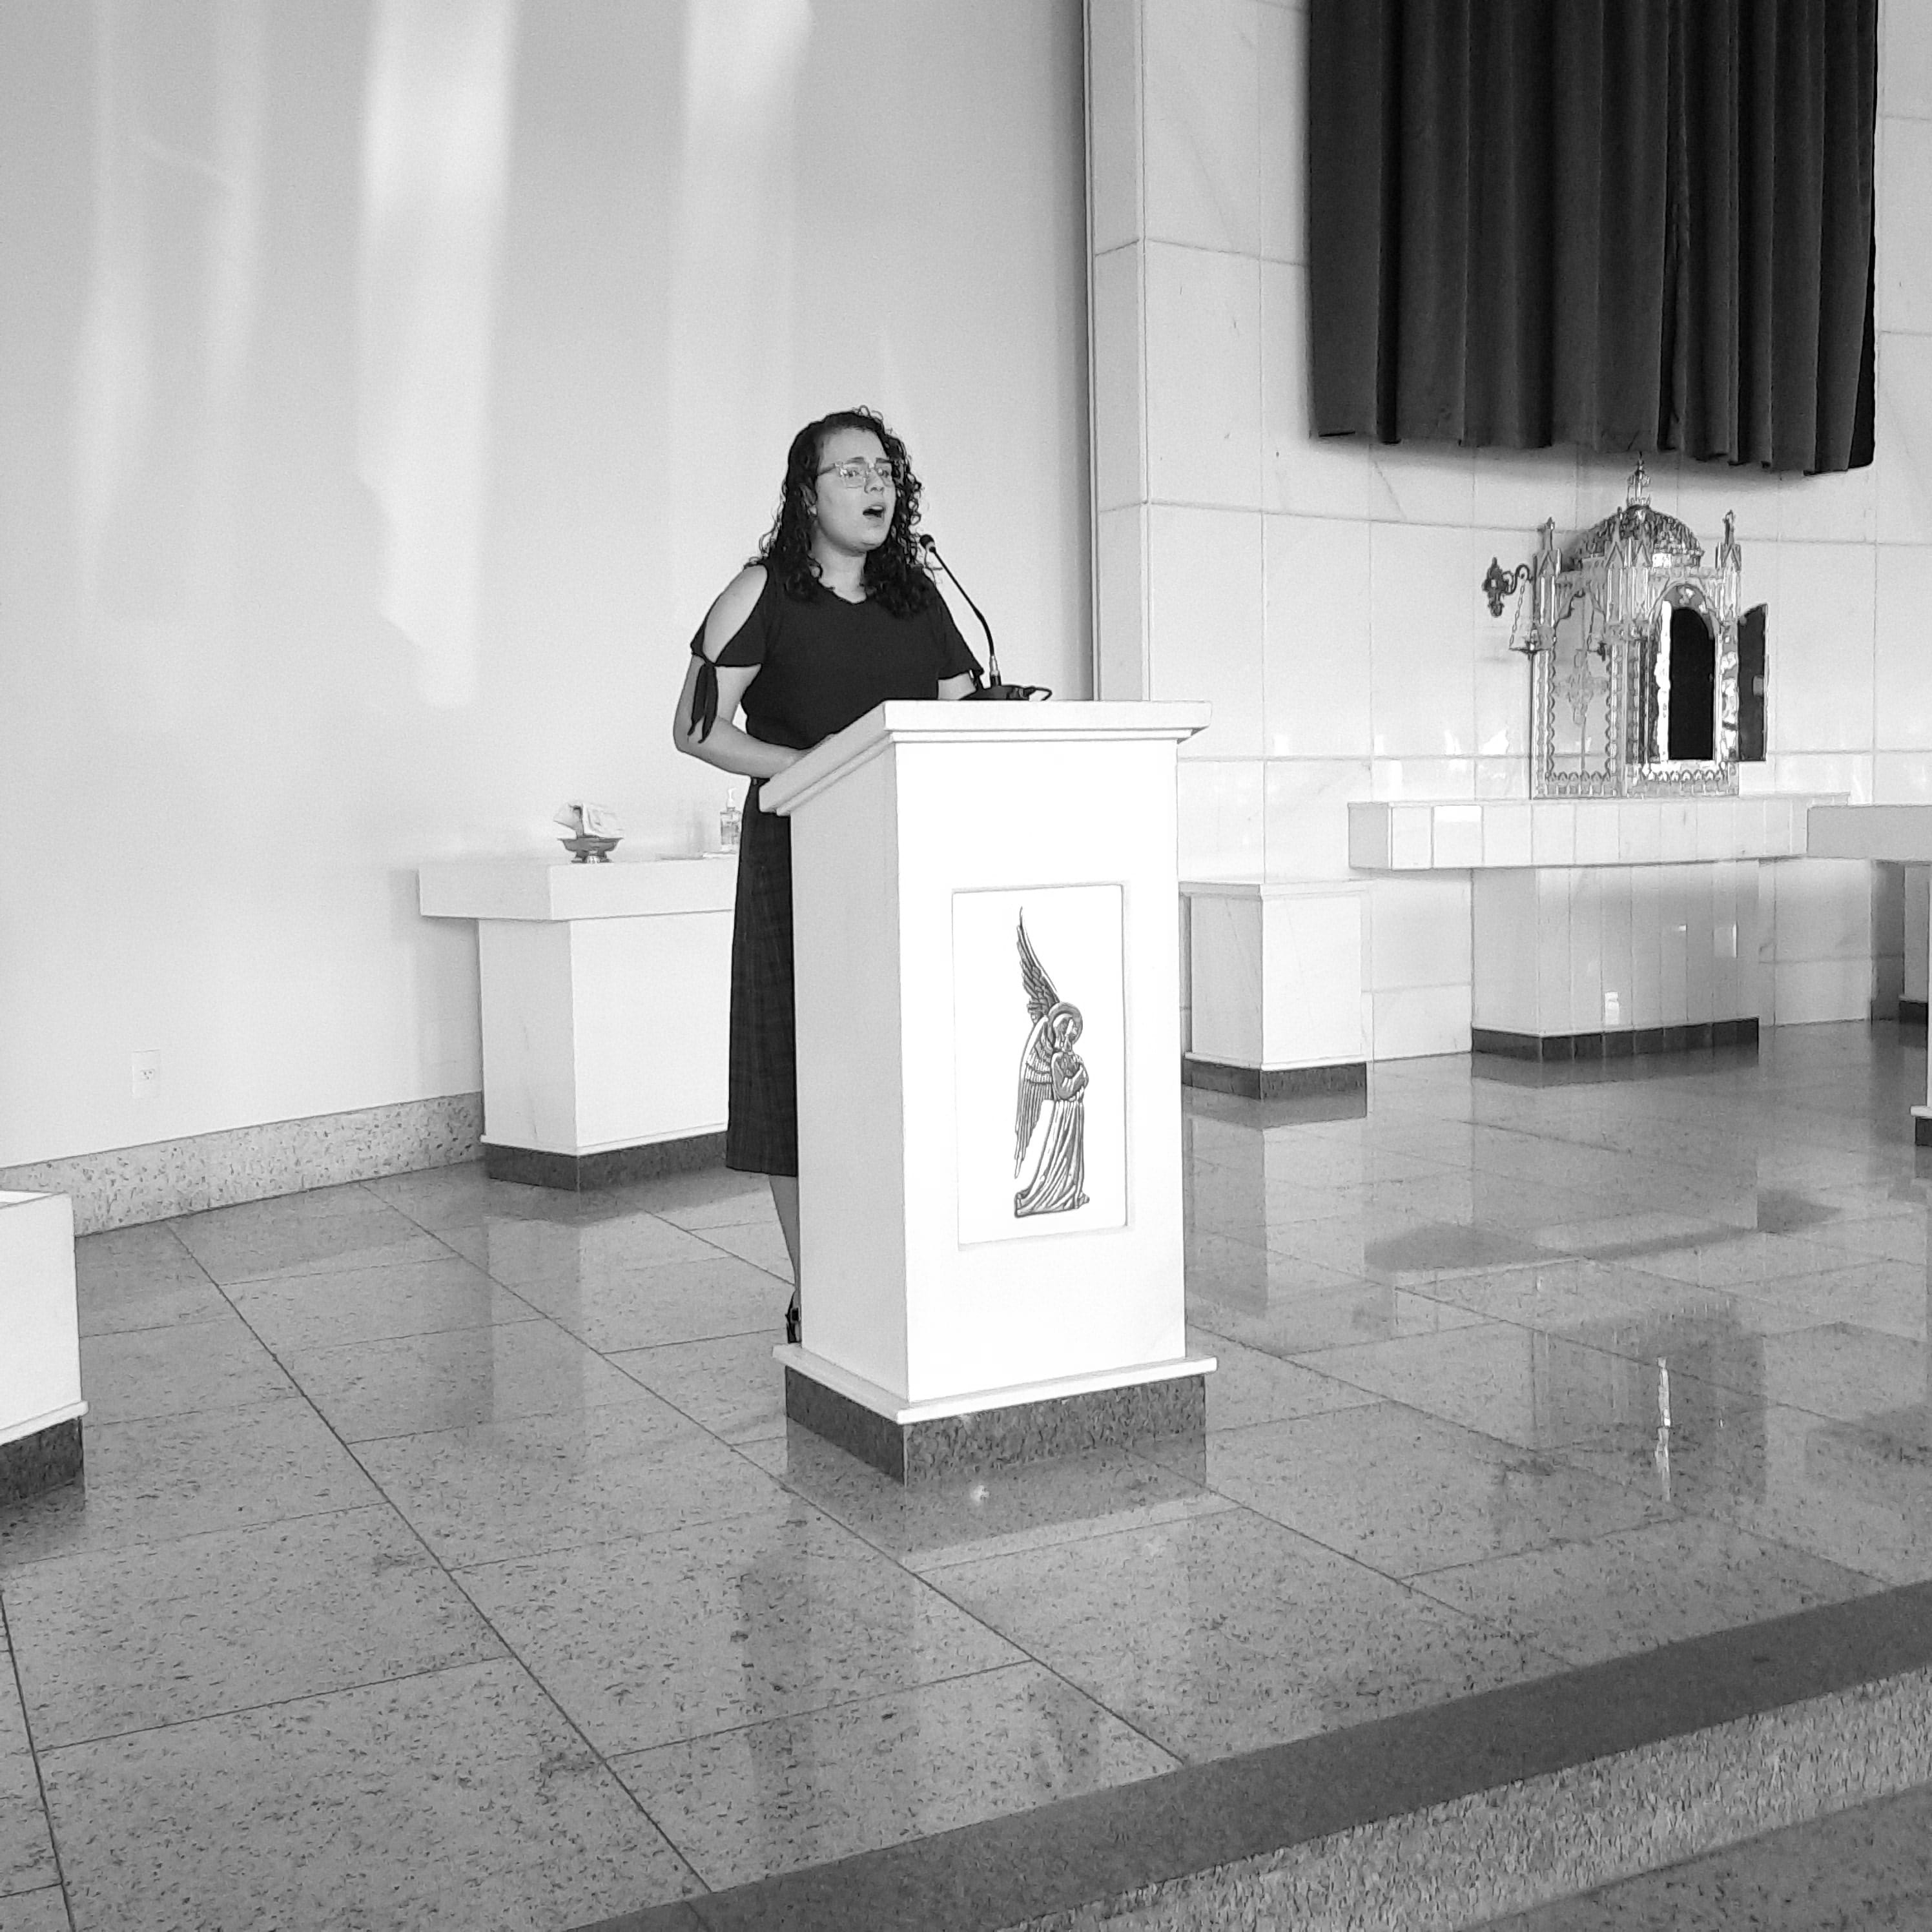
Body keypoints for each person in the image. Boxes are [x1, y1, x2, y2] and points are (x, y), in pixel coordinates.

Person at [671, 407, 981, 1341]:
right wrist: (816, 768)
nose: (874, 485)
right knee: (798, 1074)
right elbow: (696, 728)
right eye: (850, 471)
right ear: (807, 496)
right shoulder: (762, 592)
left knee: (904, 1067)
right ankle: (823, 1290)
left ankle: (912, 1270)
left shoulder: (919, 601)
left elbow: (965, 717)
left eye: (884, 470)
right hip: (800, 855)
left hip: (908, 857)